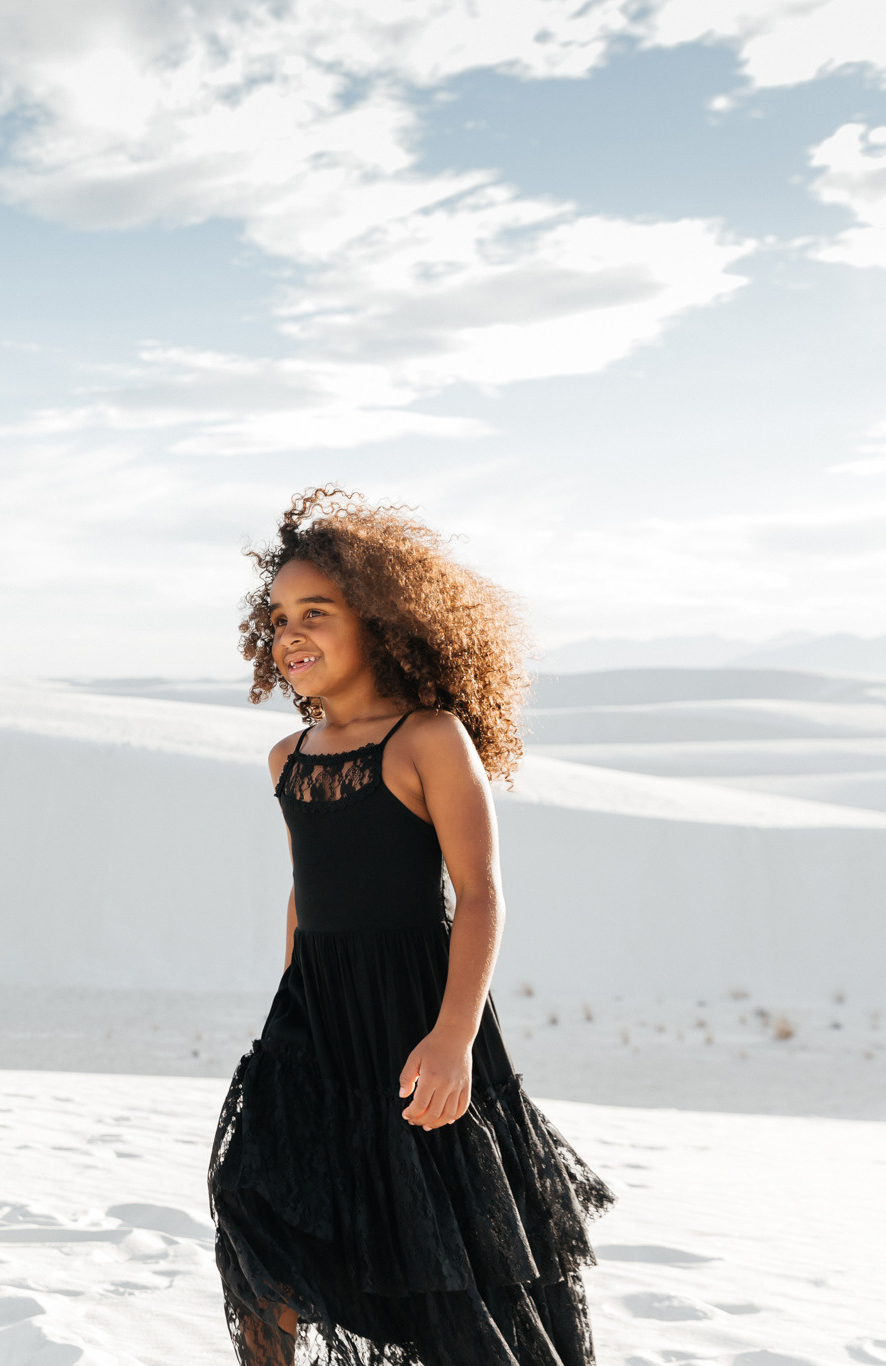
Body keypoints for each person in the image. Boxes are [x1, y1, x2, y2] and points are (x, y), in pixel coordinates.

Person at [207, 486, 613, 1366]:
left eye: (314, 612)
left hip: (412, 1013)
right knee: (255, 1213)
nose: (290, 634)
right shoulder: (288, 757)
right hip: (314, 1020)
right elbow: (300, 891)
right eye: (277, 618)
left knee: (438, 1248)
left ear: (381, 622)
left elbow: (478, 894)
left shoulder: (428, 738)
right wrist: (288, 1016)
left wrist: (451, 1039)